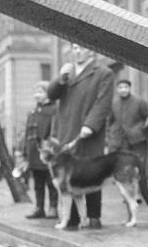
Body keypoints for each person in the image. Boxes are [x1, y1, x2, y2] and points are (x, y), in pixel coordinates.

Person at [47, 43, 113, 230]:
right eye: (74, 48)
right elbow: (52, 94)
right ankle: (73, 219)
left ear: (91, 49)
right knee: (70, 175)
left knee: (92, 172)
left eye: (82, 48)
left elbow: (103, 103)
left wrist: (91, 125)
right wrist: (60, 79)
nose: (77, 52)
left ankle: (93, 216)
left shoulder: (103, 73)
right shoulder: (67, 73)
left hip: (88, 133)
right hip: (67, 130)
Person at [23, 80, 58, 219]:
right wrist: (25, 152)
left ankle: (53, 208)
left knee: (51, 182)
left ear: (48, 93)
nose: (37, 95)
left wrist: (50, 146)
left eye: (40, 92)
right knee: (37, 183)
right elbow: (27, 134)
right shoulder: (32, 112)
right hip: (33, 152)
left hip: (48, 152)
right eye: (35, 92)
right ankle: (39, 207)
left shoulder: (54, 109)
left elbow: (55, 131)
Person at [108, 78, 148, 168]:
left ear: (130, 88)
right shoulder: (114, 104)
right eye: (120, 87)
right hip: (121, 140)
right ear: (117, 89)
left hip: (138, 139)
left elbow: (147, 119)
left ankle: (143, 180)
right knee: (124, 165)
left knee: (140, 163)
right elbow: (110, 121)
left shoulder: (139, 102)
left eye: (126, 87)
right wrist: (112, 135)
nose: (123, 90)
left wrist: (139, 130)